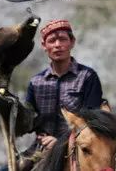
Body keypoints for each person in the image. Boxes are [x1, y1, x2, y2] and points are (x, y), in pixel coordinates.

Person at [25, 19, 104, 152]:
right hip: (41, 148)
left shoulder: (87, 77)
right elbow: (28, 121)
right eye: (51, 41)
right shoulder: (36, 82)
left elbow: (92, 120)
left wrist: (62, 142)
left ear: (72, 42)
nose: (57, 45)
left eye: (62, 39)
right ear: (44, 46)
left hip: (77, 149)